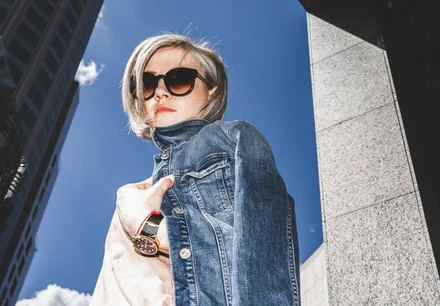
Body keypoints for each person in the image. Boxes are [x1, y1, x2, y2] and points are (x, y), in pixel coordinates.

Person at [90, 34, 301, 306]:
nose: (161, 92)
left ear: (211, 88)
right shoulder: (132, 195)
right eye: (148, 83)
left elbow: (265, 259)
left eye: (179, 79)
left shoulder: (233, 140)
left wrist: (149, 228)